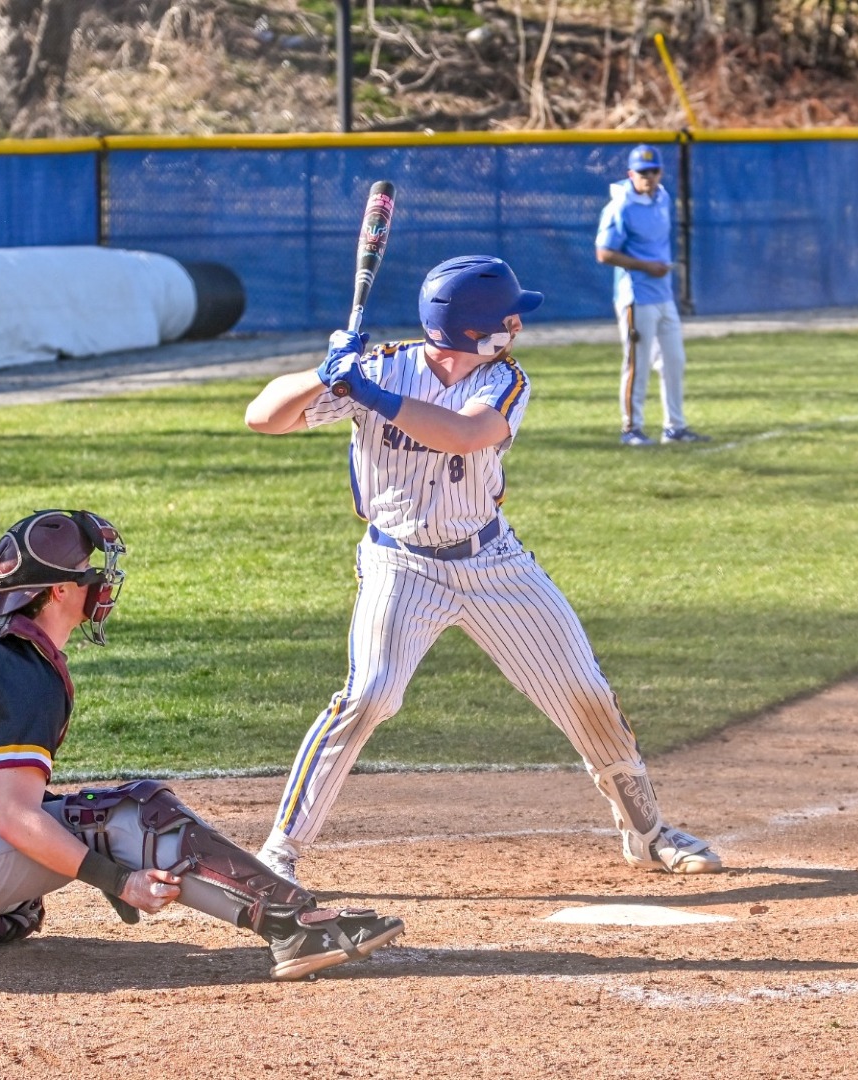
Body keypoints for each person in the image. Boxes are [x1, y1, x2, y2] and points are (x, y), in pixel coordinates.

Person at [242, 254, 724, 889]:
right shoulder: (380, 366)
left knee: (584, 693)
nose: (519, 323)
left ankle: (649, 832)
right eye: (509, 315)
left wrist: (369, 393)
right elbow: (262, 416)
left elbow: (465, 435)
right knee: (369, 695)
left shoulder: (503, 381)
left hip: (494, 563)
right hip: (400, 564)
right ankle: (280, 849)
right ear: (477, 329)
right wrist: (322, 373)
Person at [0, 509, 403, 981]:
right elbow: (16, 820)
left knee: (38, 887)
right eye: (91, 574)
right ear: (59, 591)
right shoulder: (23, 670)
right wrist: (118, 879)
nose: (101, 584)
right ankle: (294, 925)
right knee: (129, 817)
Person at [596, 143, 707, 447]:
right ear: (631, 173)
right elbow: (604, 253)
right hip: (636, 296)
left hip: (663, 294)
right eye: (643, 172)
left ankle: (675, 427)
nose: (649, 177)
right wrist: (645, 266)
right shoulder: (620, 206)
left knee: (674, 361)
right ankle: (631, 428)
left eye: (654, 171)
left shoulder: (662, 197)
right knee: (637, 363)